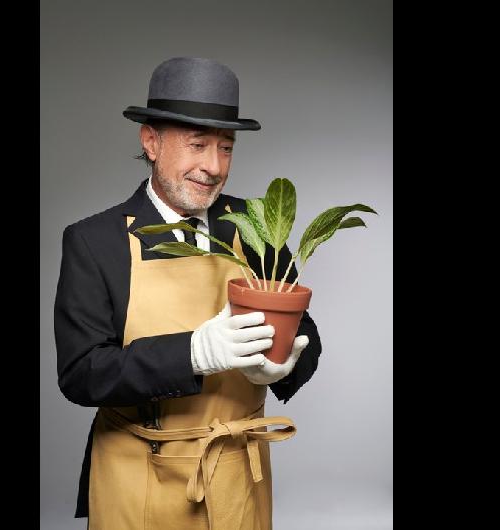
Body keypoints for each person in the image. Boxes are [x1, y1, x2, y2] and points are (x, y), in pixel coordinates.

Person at [54, 56, 322, 530]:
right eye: (198, 145)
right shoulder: (94, 241)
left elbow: (304, 330)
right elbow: (81, 373)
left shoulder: (256, 224)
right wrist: (194, 352)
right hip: (136, 478)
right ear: (151, 141)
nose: (214, 167)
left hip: (237, 479)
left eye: (226, 148)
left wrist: (281, 366)